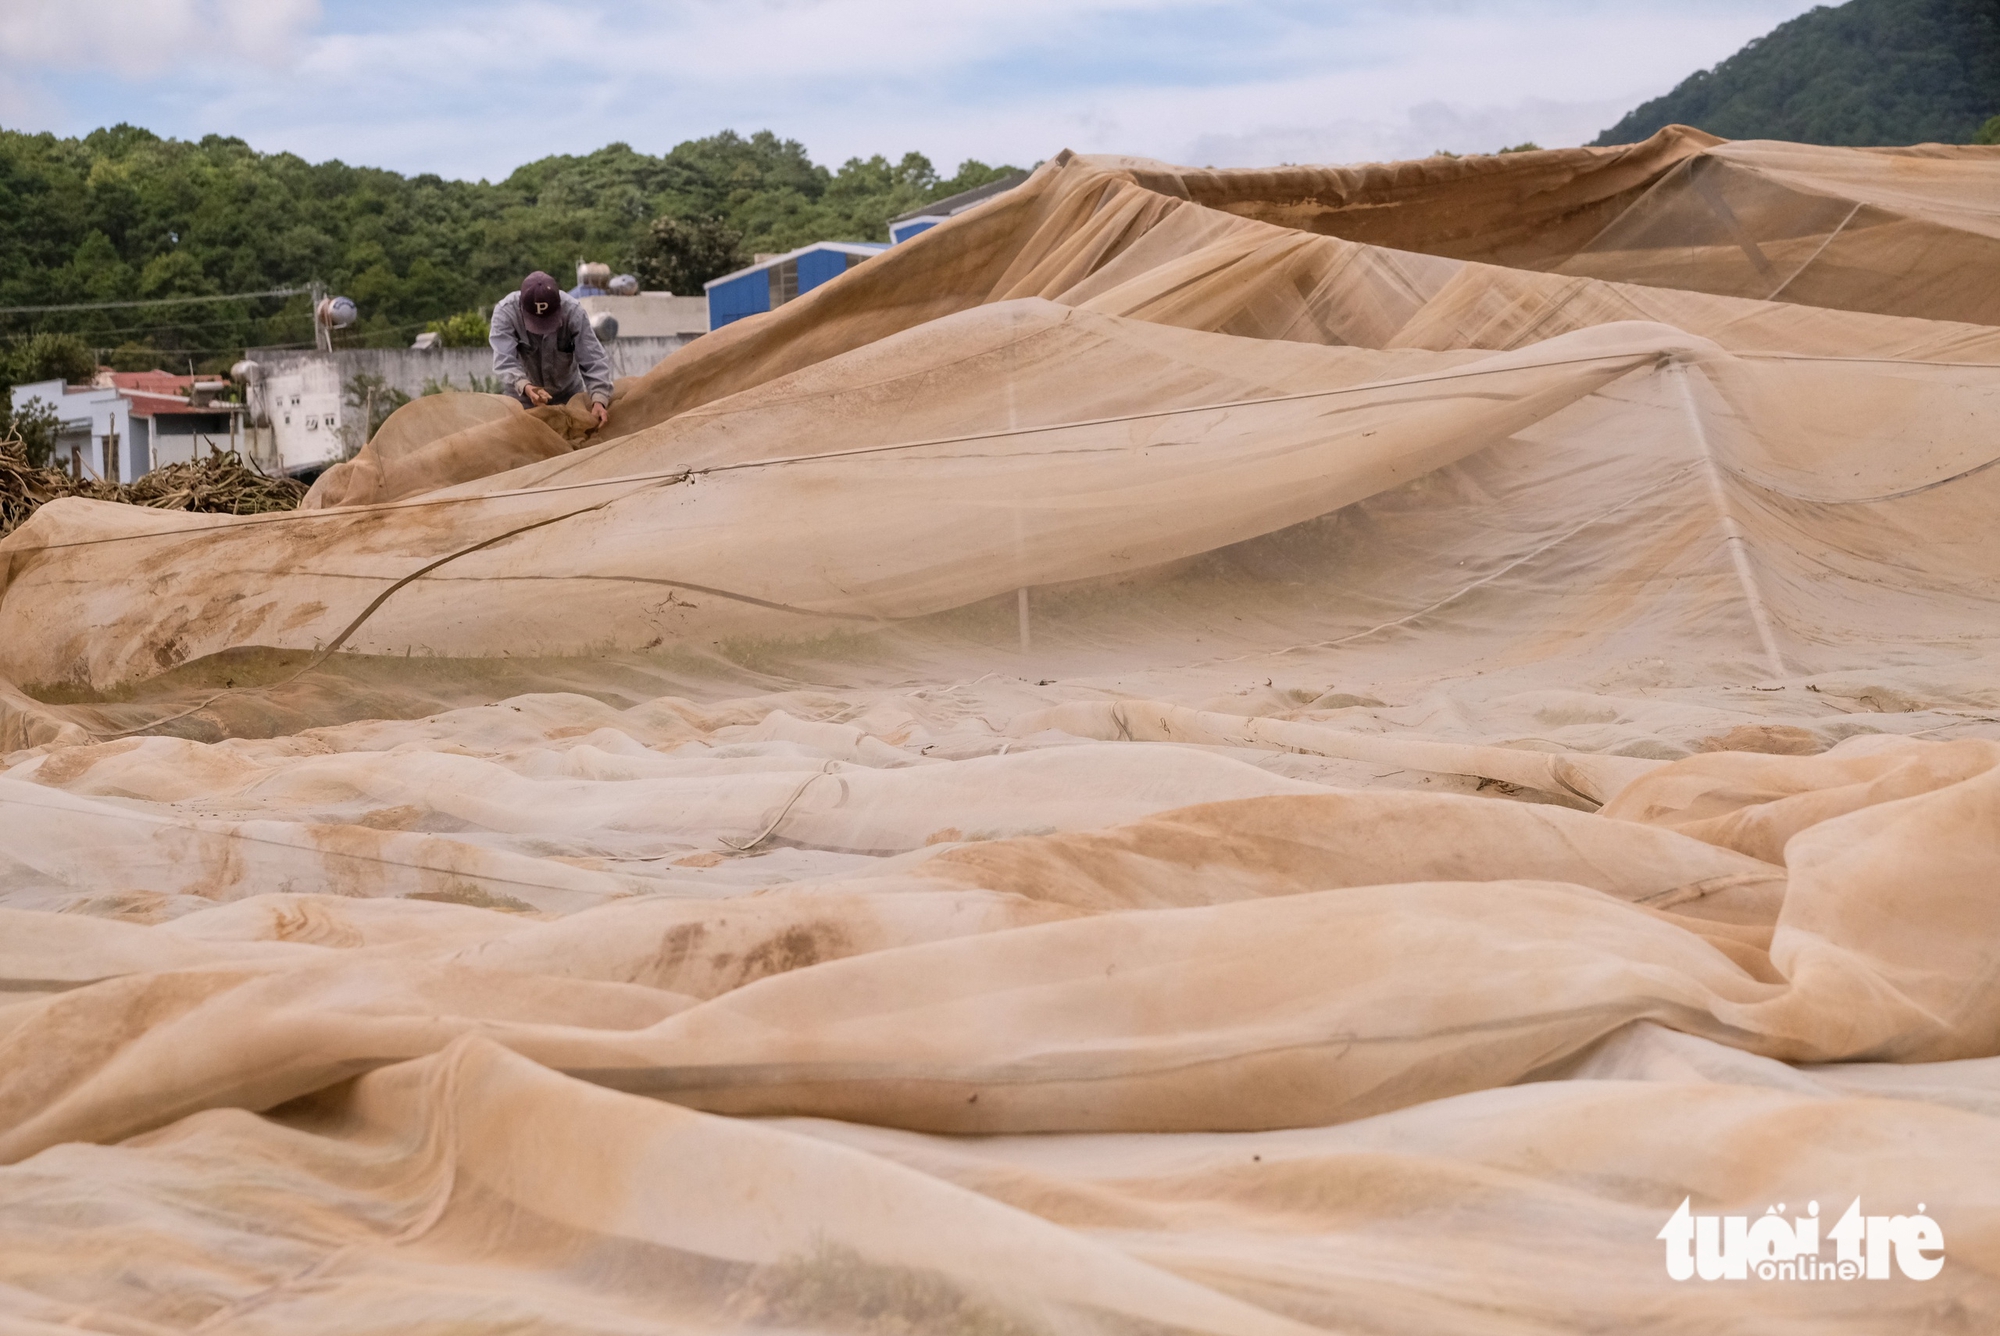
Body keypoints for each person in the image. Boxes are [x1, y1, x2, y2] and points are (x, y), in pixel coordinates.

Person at [489, 271, 613, 427]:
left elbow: (593, 359)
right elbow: (504, 362)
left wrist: (599, 399)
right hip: (521, 398)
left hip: (567, 395)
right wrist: (525, 386)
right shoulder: (505, 313)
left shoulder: (573, 312)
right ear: (522, 307)